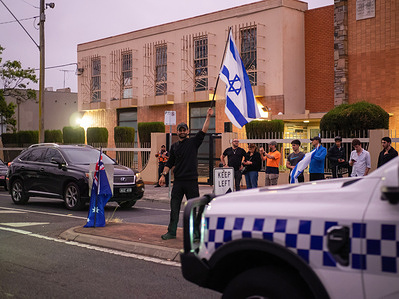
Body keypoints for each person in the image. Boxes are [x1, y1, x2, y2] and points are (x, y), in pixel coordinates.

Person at [158, 107, 213, 240]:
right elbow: (169, 163)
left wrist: (208, 117)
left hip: (191, 181)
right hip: (178, 181)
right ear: (177, 132)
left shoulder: (193, 142)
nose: (182, 132)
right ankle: (171, 232)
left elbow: (204, 130)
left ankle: (195, 234)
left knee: (193, 208)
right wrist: (163, 175)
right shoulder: (174, 146)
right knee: (174, 207)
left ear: (187, 131)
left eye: (184, 130)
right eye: (180, 130)